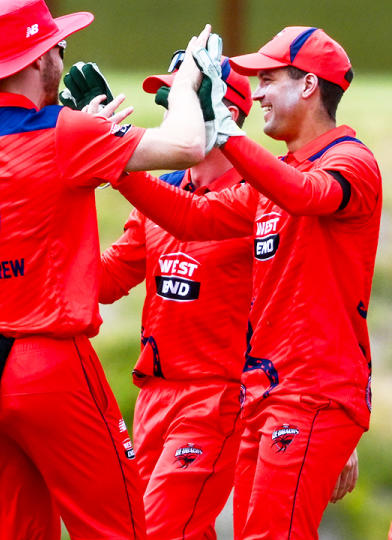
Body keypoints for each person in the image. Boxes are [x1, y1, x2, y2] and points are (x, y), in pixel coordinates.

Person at [0, 0, 217, 536]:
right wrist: (183, 87)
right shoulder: (67, 133)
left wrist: (88, 135)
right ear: (37, 60)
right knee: (119, 529)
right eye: (56, 44)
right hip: (49, 367)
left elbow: (19, 164)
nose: (63, 50)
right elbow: (189, 145)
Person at [109, 27, 378, 539]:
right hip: (265, 392)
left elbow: (306, 195)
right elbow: (189, 219)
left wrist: (229, 131)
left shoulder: (351, 162)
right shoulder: (275, 175)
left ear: (308, 87)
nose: (258, 94)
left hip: (309, 392)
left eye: (270, 79)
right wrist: (114, 155)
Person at [97, 52, 253, 539]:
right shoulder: (162, 194)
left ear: (218, 111)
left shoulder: (261, 196)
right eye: (168, 102)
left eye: (178, 101)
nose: (168, 116)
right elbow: (102, 283)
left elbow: (308, 306)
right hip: (154, 396)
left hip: (218, 397)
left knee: (163, 531)